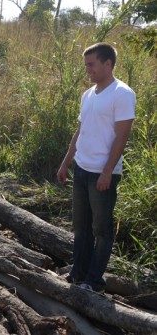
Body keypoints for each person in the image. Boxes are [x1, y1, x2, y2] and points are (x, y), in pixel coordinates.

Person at [57, 43, 135, 293]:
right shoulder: (88, 94)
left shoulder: (122, 94)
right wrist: (66, 161)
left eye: (91, 64)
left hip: (102, 174)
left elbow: (122, 136)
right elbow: (81, 130)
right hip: (81, 169)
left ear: (107, 64)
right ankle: (77, 272)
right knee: (81, 227)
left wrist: (107, 171)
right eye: (86, 65)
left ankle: (94, 280)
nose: (87, 69)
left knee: (101, 230)